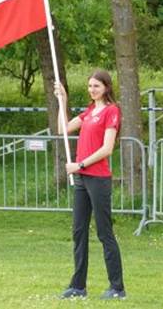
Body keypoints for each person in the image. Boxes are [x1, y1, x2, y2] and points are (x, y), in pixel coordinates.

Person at [54, 69, 126, 300]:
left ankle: (117, 288)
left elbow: (107, 148)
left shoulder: (111, 111)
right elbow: (62, 129)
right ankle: (78, 286)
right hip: (83, 180)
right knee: (79, 231)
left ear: (106, 87)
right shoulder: (89, 112)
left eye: (96, 86)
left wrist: (80, 164)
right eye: (89, 86)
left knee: (105, 232)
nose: (92, 90)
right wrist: (62, 100)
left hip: (98, 178)